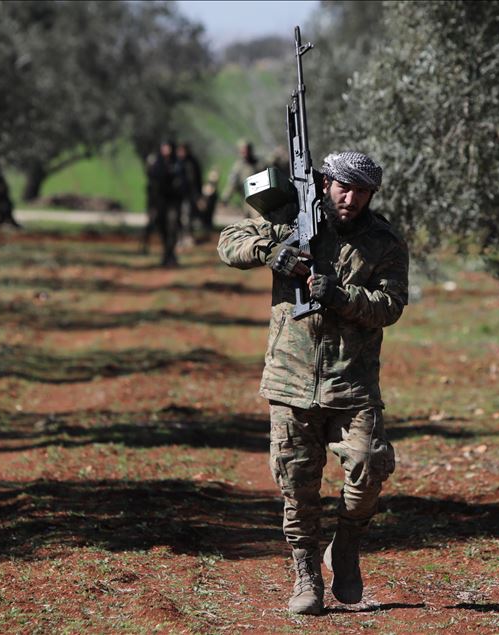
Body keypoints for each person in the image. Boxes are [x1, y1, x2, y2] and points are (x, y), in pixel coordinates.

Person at [217, 151, 408, 615]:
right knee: (297, 487)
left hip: (353, 382)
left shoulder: (383, 241)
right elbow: (229, 242)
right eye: (344, 188)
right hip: (290, 378)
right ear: (325, 184)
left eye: (361, 191)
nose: (351, 198)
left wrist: (340, 297)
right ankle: (306, 576)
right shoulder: (290, 218)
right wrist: (272, 252)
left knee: (368, 466)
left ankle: (345, 544)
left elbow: (391, 306)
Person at [142, 140, 184, 267]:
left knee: (172, 228)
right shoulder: (156, 165)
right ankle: (167, 253)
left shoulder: (177, 165)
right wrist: (151, 205)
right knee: (162, 229)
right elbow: (151, 185)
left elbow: (183, 183)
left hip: (173, 202)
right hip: (160, 202)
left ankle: (170, 254)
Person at [221, 139, 262, 218]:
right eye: (243, 150)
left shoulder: (259, 164)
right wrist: (225, 198)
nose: (245, 152)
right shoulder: (238, 167)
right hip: (246, 200)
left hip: (259, 199)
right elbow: (232, 184)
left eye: (247, 150)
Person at [175, 142, 203, 246]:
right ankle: (179, 237)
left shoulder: (192, 162)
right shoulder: (176, 163)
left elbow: (197, 180)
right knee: (177, 217)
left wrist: (198, 195)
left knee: (188, 217)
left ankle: (188, 236)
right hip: (177, 195)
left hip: (189, 195)